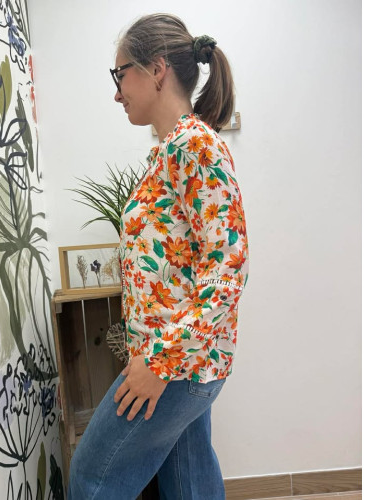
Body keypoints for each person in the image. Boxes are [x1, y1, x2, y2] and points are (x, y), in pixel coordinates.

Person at [68, 13, 249, 499]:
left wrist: (160, 364)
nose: (117, 92)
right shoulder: (173, 150)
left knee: (91, 478)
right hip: (179, 363)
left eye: (119, 74)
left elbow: (228, 269)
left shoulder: (196, 146)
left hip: (175, 368)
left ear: (156, 69)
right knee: (189, 485)